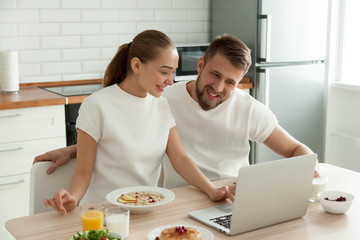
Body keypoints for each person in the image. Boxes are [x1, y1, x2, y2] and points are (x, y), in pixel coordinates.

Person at [35, 33, 317, 192]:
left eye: (230, 82)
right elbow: (121, 126)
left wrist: (306, 173)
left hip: (227, 196)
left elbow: (295, 150)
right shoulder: (162, 96)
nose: (218, 88)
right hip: (176, 197)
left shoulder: (247, 109)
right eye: (215, 75)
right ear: (200, 65)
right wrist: (76, 149)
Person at [43, 30, 234, 215]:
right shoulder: (97, 105)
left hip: (148, 209)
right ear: (136, 66)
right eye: (164, 72)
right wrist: (73, 198)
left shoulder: (162, 105)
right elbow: (83, 172)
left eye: (173, 72)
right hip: (104, 212)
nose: (170, 81)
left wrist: (211, 190)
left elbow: (181, 160)